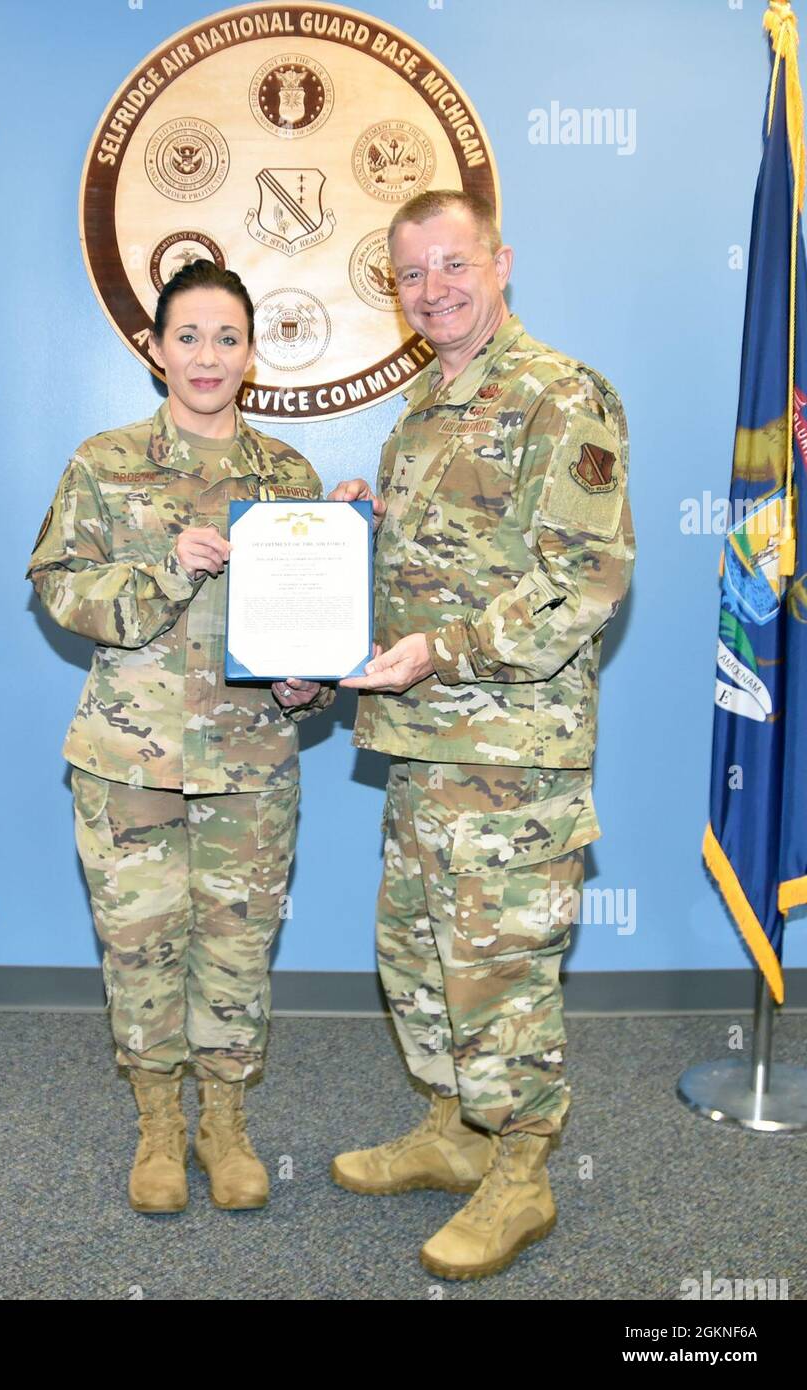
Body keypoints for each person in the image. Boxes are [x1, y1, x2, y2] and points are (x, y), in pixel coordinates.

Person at [329, 190, 634, 1279]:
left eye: (451, 265)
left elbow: (583, 585)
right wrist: (355, 529)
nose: (433, 290)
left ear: (499, 262)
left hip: (511, 761)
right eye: (411, 275)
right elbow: (437, 565)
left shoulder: (559, 396)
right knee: (418, 957)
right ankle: (453, 1132)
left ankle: (520, 1175)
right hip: (420, 749)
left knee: (500, 974)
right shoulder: (419, 410)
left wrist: (439, 650)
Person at [25, 259, 328, 1214]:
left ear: (251, 355)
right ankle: (159, 1124)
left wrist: (305, 680)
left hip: (250, 761)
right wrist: (162, 567)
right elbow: (60, 588)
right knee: (142, 948)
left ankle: (224, 1122)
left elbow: (312, 626)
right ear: (156, 352)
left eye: (227, 338)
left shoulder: (290, 477)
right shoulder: (104, 463)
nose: (207, 355)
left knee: (239, 951)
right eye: (187, 336)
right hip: (131, 760)